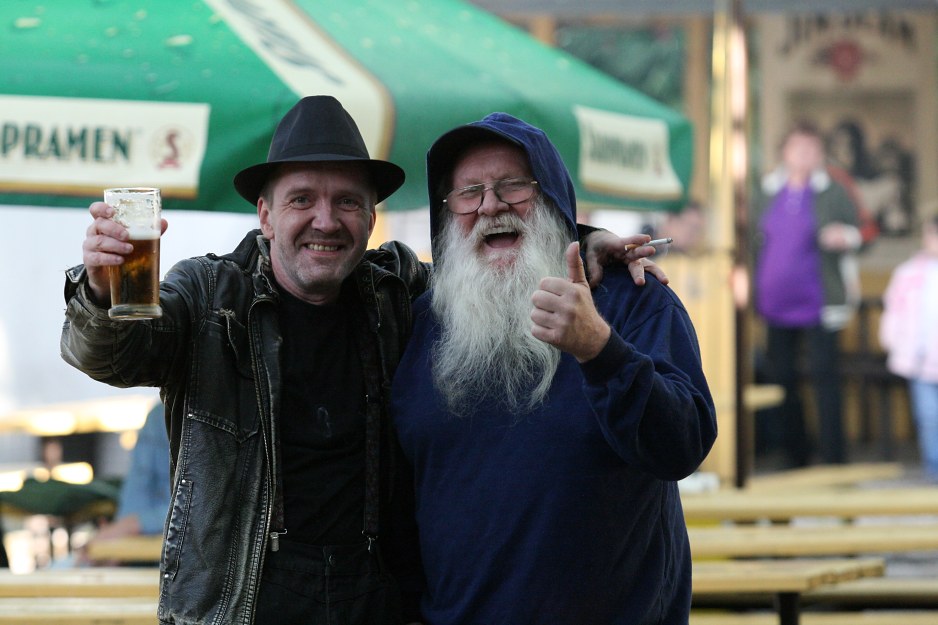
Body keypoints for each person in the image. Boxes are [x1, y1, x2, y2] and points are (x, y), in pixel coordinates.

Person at [60, 96, 664, 625]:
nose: (325, 221)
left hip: (375, 604)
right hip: (243, 606)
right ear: (266, 215)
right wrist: (101, 290)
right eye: (302, 199)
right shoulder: (208, 296)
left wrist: (581, 241)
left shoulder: (398, 291)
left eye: (347, 201)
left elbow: (493, 255)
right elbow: (113, 356)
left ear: (371, 217)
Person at [390, 113, 717, 624]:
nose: (491, 205)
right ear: (447, 212)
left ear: (553, 200)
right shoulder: (416, 322)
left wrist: (601, 351)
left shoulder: (632, 301)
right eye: (469, 192)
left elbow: (684, 444)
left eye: (514, 186)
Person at [752, 120, 863, 468]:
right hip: (774, 302)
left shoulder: (834, 190)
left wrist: (846, 236)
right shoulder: (765, 191)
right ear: (784, 152)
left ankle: (833, 457)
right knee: (782, 379)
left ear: (821, 154)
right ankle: (795, 455)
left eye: (812, 148)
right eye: (798, 147)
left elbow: (864, 232)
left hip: (820, 301)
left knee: (825, 378)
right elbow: (751, 240)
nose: (804, 154)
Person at [879, 213, 938, 481]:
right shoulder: (908, 273)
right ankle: (933, 468)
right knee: (927, 417)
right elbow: (894, 310)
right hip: (921, 359)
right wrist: (891, 340)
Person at [79, 402, 170, 564]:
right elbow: (138, 488)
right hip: (146, 551)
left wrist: (130, 526)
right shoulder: (159, 415)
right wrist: (119, 534)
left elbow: (204, 509)